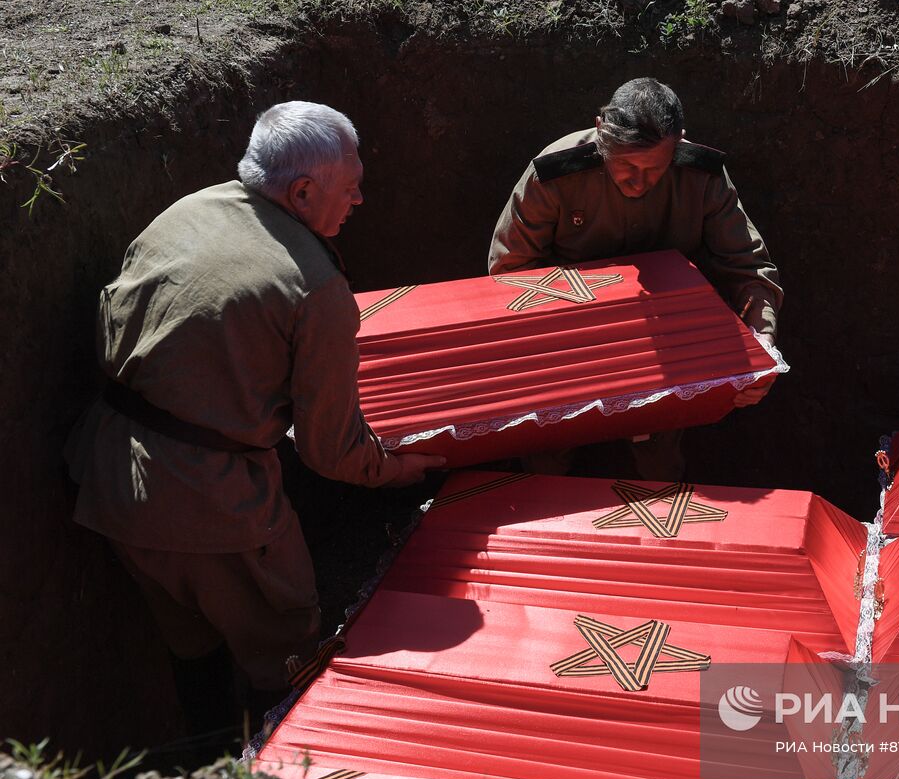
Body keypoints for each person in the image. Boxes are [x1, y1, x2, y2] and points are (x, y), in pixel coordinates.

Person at [64, 101, 444, 732]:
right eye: (350, 188)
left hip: (108, 476)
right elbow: (328, 451)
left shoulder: (189, 211)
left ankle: (204, 762)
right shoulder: (313, 286)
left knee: (187, 637)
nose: (359, 201)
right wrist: (401, 472)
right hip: (212, 506)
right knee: (289, 649)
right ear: (301, 191)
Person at [487, 77, 782, 480]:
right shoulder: (555, 173)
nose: (638, 183)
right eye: (625, 166)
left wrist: (759, 343)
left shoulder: (703, 176)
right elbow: (508, 274)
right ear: (600, 135)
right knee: (546, 449)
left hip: (666, 338)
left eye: (654, 169)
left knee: (659, 454)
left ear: (678, 146)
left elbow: (748, 267)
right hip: (567, 336)